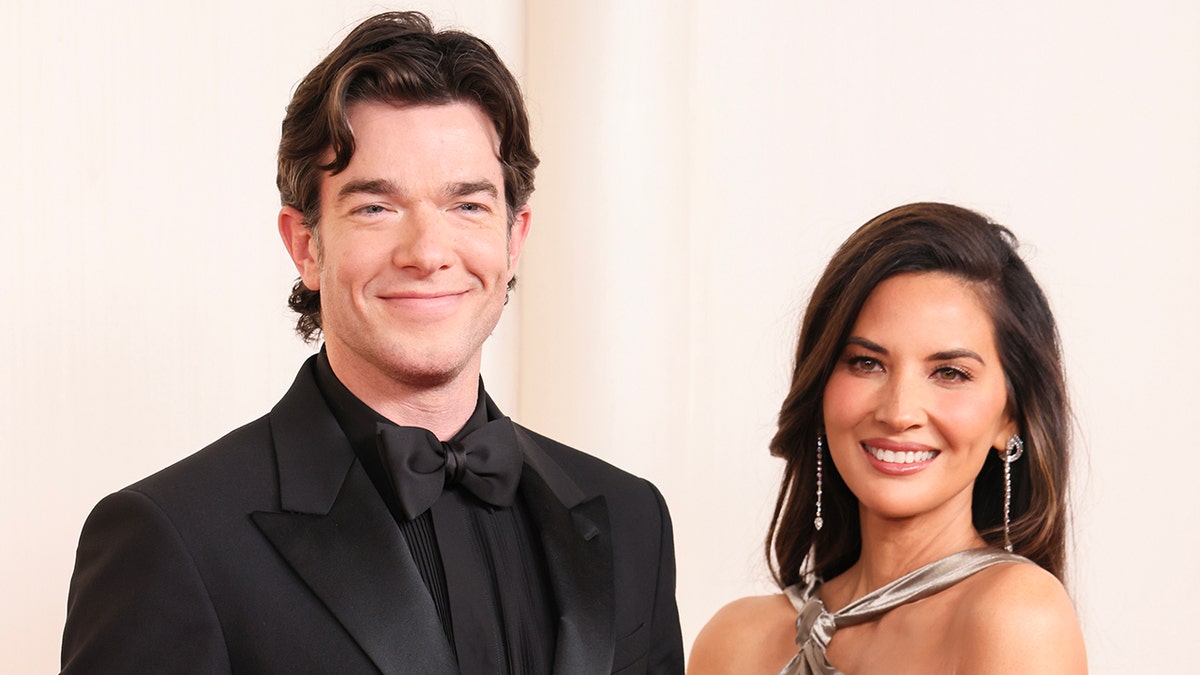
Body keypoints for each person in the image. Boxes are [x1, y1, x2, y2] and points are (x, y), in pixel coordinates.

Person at [61, 12, 683, 674]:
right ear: (306, 245)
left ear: (513, 237)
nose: (427, 252)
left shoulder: (630, 518)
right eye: (375, 208)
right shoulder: (172, 537)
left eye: (466, 205)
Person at [688, 203, 1086, 674]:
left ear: (1010, 418)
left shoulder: (1016, 615)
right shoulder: (735, 641)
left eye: (950, 373)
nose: (898, 412)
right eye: (866, 363)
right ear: (820, 388)